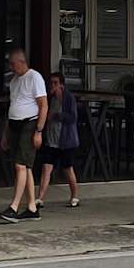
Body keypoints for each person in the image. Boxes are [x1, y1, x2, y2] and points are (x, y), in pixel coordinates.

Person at [0, 48, 48, 223]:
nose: (11, 68)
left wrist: (39, 131)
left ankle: (14, 206)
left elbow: (43, 105)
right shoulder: (14, 81)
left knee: (20, 165)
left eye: (13, 64)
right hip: (15, 124)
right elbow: (12, 107)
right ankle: (32, 207)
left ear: (21, 61)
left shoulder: (34, 77)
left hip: (30, 123)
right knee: (25, 167)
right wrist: (6, 133)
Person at [36, 71, 84, 210]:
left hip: (65, 140)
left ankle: (74, 195)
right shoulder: (50, 99)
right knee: (46, 167)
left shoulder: (68, 98)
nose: (53, 86)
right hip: (52, 138)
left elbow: (72, 117)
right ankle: (40, 198)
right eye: (51, 83)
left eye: (55, 83)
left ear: (61, 85)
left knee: (67, 168)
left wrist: (57, 115)